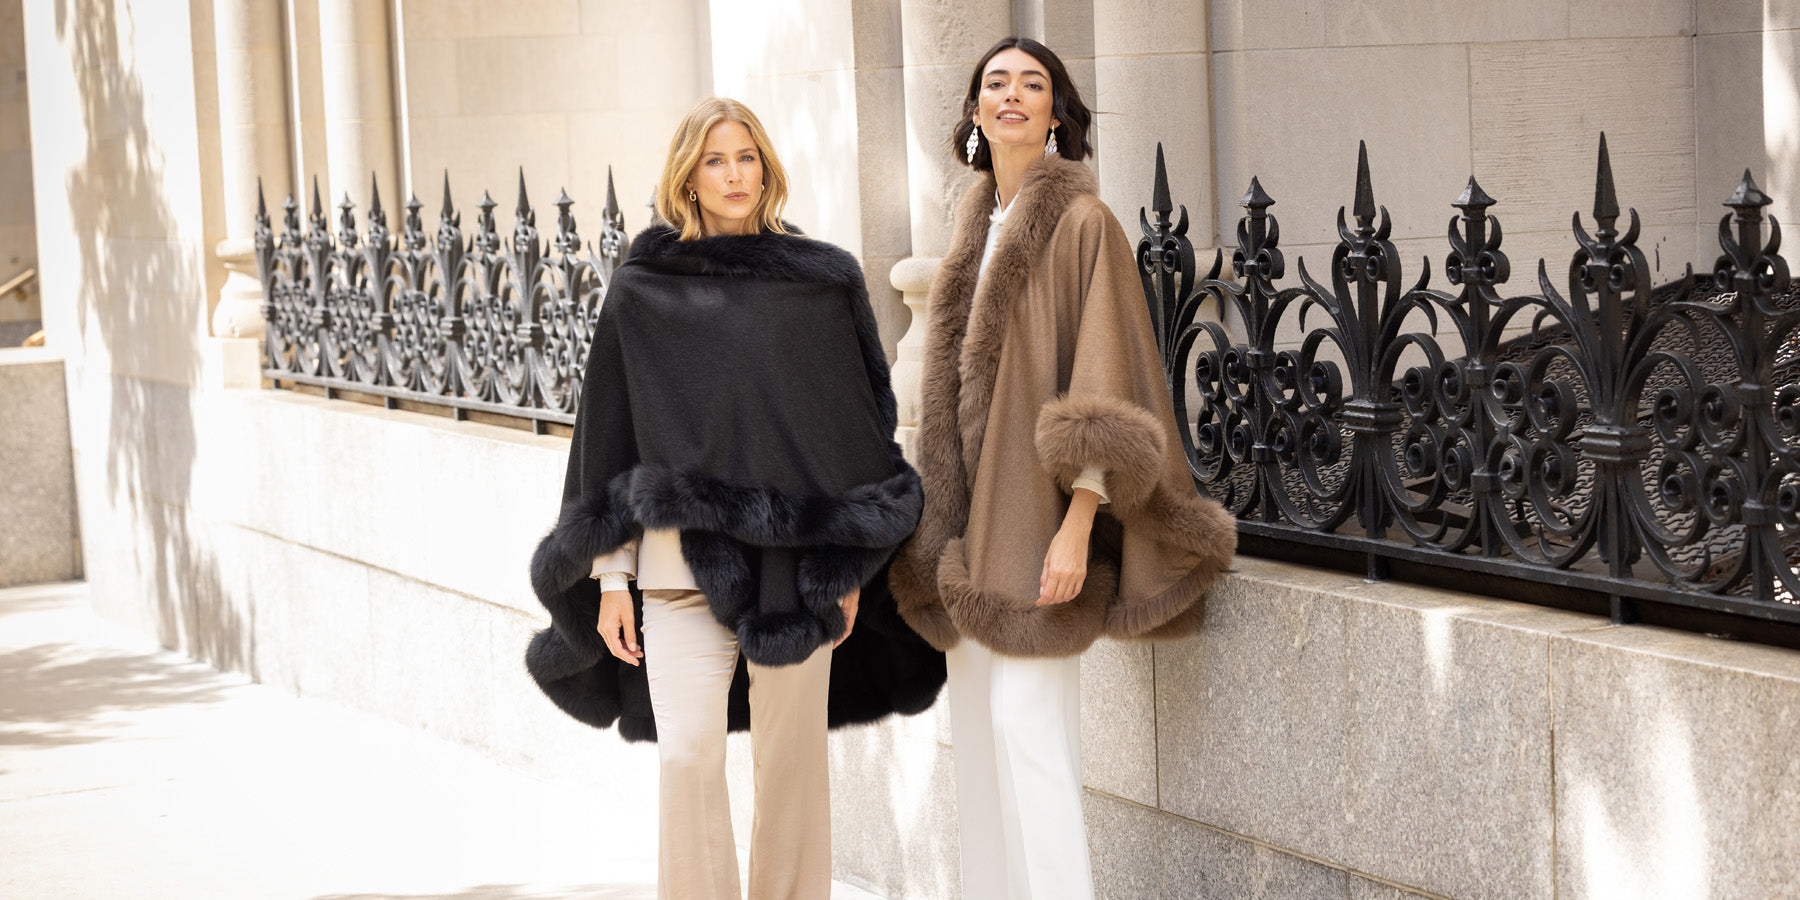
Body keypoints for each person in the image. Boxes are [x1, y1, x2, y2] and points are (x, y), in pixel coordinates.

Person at [524, 97, 944, 900]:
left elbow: (856, 433)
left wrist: (845, 566)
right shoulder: (642, 290)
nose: (734, 174)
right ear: (688, 174)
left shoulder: (821, 283)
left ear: (767, 167)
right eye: (716, 160)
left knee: (791, 769)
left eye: (747, 157)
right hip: (680, 567)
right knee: (688, 756)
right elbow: (608, 441)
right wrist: (611, 577)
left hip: (796, 574)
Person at [890, 37, 1238, 899]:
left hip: (1041, 522)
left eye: (1032, 84)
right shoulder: (973, 228)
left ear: (1056, 115)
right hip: (964, 531)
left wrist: (1080, 523)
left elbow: (1108, 383)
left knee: (1031, 737)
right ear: (974, 115)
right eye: (995, 84)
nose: (1012, 95)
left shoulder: (1086, 223)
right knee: (978, 747)